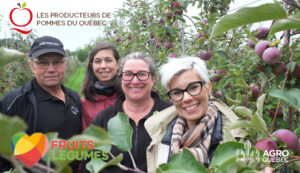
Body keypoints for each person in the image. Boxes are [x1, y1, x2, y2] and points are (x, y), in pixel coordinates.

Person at [144, 57, 246, 172]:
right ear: (171, 98)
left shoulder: (238, 135)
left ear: (209, 87)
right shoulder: (160, 137)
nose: (186, 98)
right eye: (177, 93)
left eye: (193, 87)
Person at [0, 36, 82, 172]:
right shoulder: (15, 101)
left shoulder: (74, 97)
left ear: (65, 64)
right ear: (32, 66)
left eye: (57, 62)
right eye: (43, 63)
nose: (51, 69)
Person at [81, 52, 172, 173]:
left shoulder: (170, 114)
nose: (135, 81)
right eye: (128, 74)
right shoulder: (103, 120)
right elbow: (89, 165)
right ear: (121, 78)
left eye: (142, 74)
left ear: (153, 78)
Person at [81, 42, 121, 130]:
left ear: (118, 64)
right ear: (92, 65)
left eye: (108, 60)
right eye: (97, 61)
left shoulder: (129, 98)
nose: (103, 66)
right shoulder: (83, 104)